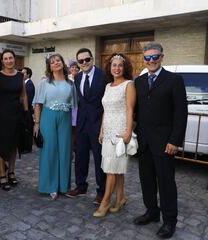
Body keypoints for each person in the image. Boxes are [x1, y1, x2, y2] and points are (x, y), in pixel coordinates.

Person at [133, 42, 188, 239]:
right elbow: (135, 111)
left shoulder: (174, 80)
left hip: (165, 143)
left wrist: (175, 140)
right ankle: (152, 212)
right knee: (146, 181)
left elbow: (181, 114)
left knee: (166, 184)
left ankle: (169, 221)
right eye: (147, 57)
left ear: (162, 57)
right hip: (144, 142)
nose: (151, 61)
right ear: (144, 59)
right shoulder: (138, 82)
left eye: (155, 57)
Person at [92, 53, 136, 217]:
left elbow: (130, 110)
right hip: (108, 131)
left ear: (125, 68)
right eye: (114, 65)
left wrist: (128, 133)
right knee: (116, 169)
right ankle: (120, 198)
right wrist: (102, 130)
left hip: (120, 132)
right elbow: (105, 111)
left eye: (120, 65)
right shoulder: (107, 86)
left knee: (111, 169)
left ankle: (105, 202)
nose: (117, 68)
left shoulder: (129, 85)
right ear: (109, 68)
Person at [33, 53, 77, 200]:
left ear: (62, 63)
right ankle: (50, 186)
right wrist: (37, 124)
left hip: (65, 118)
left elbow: (74, 106)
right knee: (49, 151)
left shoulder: (71, 84)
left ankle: (63, 186)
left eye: (58, 60)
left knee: (65, 151)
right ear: (49, 66)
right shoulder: (44, 83)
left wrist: (75, 127)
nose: (56, 63)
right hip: (48, 117)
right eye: (52, 62)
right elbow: (38, 104)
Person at [66, 48, 106, 205]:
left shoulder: (103, 75)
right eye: (80, 61)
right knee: (81, 156)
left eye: (87, 60)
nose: (84, 63)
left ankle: (101, 192)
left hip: (97, 124)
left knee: (99, 159)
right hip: (81, 124)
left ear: (92, 59)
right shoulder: (77, 78)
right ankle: (81, 186)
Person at [0, 49, 28, 191]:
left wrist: (26, 112)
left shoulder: (20, 76)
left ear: (14, 59)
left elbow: (23, 95)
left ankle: (11, 172)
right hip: (3, 116)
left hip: (17, 115)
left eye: (11, 58)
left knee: (14, 145)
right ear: (2, 61)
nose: (9, 60)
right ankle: (2, 174)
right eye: (6, 58)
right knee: (3, 145)